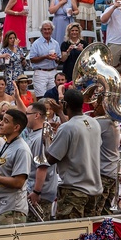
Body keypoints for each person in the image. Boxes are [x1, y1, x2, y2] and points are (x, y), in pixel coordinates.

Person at [45, 88, 105, 219]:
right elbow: (75, 132)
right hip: (94, 190)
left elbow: (51, 158)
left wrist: (47, 141)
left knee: (71, 236)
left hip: (74, 192)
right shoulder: (93, 122)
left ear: (66, 104)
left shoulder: (67, 128)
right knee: (89, 236)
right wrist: (60, 113)